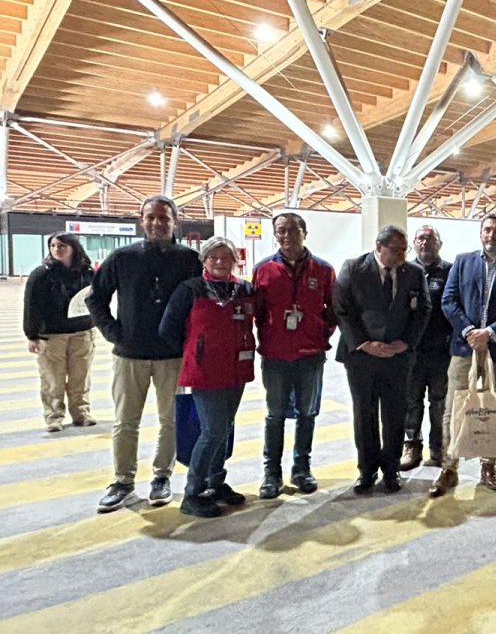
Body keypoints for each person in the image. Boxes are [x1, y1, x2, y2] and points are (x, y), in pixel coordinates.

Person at [88, 195, 203, 513]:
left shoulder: (188, 260)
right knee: (126, 421)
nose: (157, 223)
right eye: (151, 217)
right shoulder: (122, 257)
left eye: (164, 218)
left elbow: (201, 306)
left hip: (172, 356)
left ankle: (161, 477)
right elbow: (95, 298)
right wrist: (114, 333)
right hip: (129, 355)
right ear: (141, 220)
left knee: (170, 420)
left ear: (174, 222)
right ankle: (123, 481)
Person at [432, 214, 496, 497]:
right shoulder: (463, 262)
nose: (491, 235)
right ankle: (448, 468)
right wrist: (468, 331)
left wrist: (490, 332)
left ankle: (489, 465)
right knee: (454, 407)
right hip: (464, 348)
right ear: (480, 234)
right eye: (487, 230)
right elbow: (448, 300)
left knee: (492, 407)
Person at [159, 237, 256, 518]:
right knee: (212, 431)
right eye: (213, 257)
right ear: (204, 260)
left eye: (226, 257)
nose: (219, 262)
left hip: (236, 370)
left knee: (224, 429)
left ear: (235, 261)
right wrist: (195, 351)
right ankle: (193, 492)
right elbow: (168, 329)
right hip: (205, 373)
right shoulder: (191, 289)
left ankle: (217, 482)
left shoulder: (243, 290)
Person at [333, 226, 430, 495]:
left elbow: (423, 311)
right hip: (362, 356)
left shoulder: (414, 273)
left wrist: (405, 343)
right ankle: (367, 470)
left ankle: (391, 469)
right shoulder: (353, 268)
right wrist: (365, 344)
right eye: (395, 250)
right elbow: (342, 309)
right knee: (364, 413)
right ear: (379, 246)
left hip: (397, 357)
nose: (401, 256)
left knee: (395, 414)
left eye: (403, 250)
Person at [252, 213, 337, 499]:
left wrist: (320, 335)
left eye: (292, 230)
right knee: (275, 415)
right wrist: (269, 336)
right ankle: (271, 473)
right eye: (280, 231)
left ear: (305, 232)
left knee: (307, 414)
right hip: (275, 356)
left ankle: (301, 469)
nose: (286, 236)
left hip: (310, 356)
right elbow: (258, 312)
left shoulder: (323, 270)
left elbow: (333, 309)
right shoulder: (263, 269)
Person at [24, 232, 96, 432]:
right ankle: (53, 416)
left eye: (62, 245)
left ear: (74, 248)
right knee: (52, 378)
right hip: (52, 335)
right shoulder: (41, 274)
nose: (57, 249)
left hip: (82, 332)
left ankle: (81, 412)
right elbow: (31, 306)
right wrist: (32, 335)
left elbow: (97, 299)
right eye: (54, 245)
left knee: (80, 376)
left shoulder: (87, 272)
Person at [402, 225, 453, 470]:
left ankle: (439, 447)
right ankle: (411, 446)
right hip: (411, 352)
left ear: (439, 244)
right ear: (414, 242)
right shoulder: (405, 271)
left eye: (430, 239)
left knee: (440, 403)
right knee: (411, 402)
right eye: (421, 239)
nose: (425, 243)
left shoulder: (451, 272)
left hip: (440, 352)